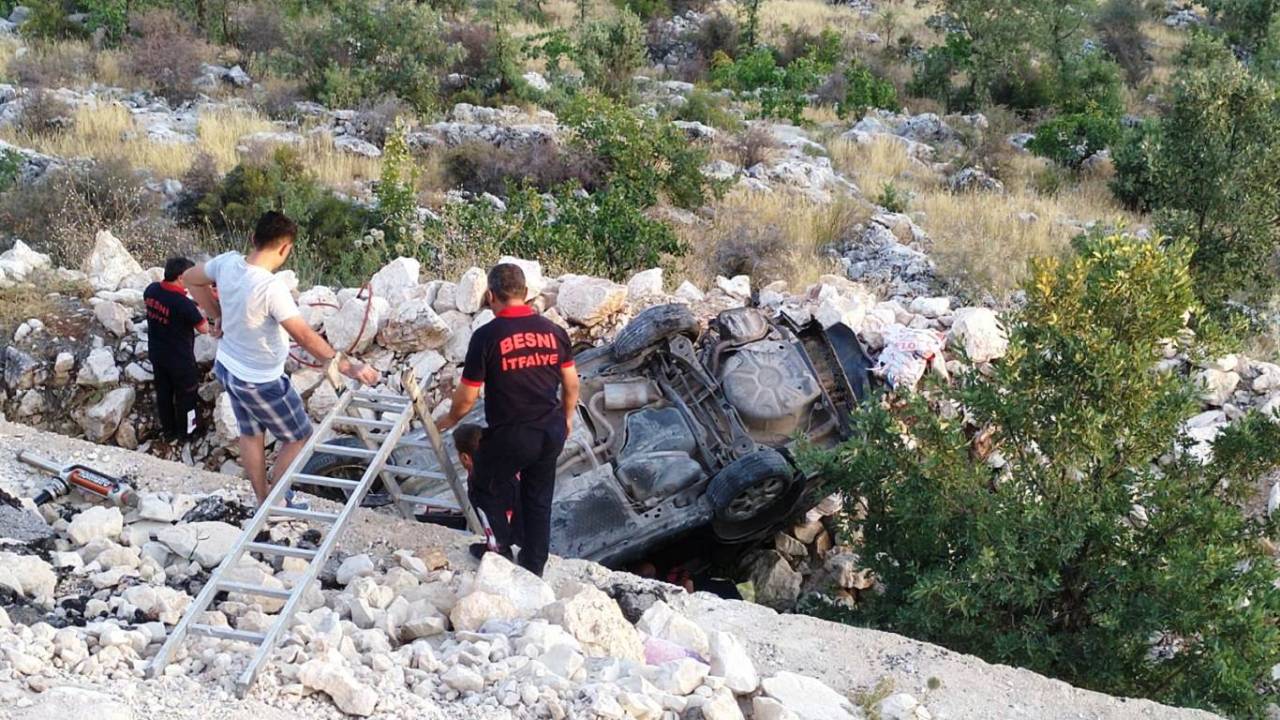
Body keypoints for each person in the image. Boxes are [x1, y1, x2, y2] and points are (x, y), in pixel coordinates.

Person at [182, 211, 379, 509]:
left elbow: (190, 279)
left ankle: (264, 499)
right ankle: (276, 501)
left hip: (228, 368)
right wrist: (349, 365)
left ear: (253, 239)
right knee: (299, 436)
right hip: (260, 380)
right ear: (286, 249)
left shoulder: (227, 262)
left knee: (251, 434)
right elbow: (304, 335)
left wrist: (217, 314)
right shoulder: (270, 287)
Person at [438, 263, 579, 576]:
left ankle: (497, 549)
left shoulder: (487, 336)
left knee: (482, 484)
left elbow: (467, 398)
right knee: (538, 498)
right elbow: (571, 383)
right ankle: (533, 565)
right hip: (551, 430)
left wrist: (447, 420)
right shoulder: (554, 332)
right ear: (525, 294)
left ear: (490, 296)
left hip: (513, 434)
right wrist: (567, 418)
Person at [144, 257, 209, 443]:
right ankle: (189, 433)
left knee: (164, 394)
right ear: (181, 277)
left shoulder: (151, 290)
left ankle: (169, 431)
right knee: (187, 396)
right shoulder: (183, 304)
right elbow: (204, 328)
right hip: (180, 360)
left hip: (157, 353)